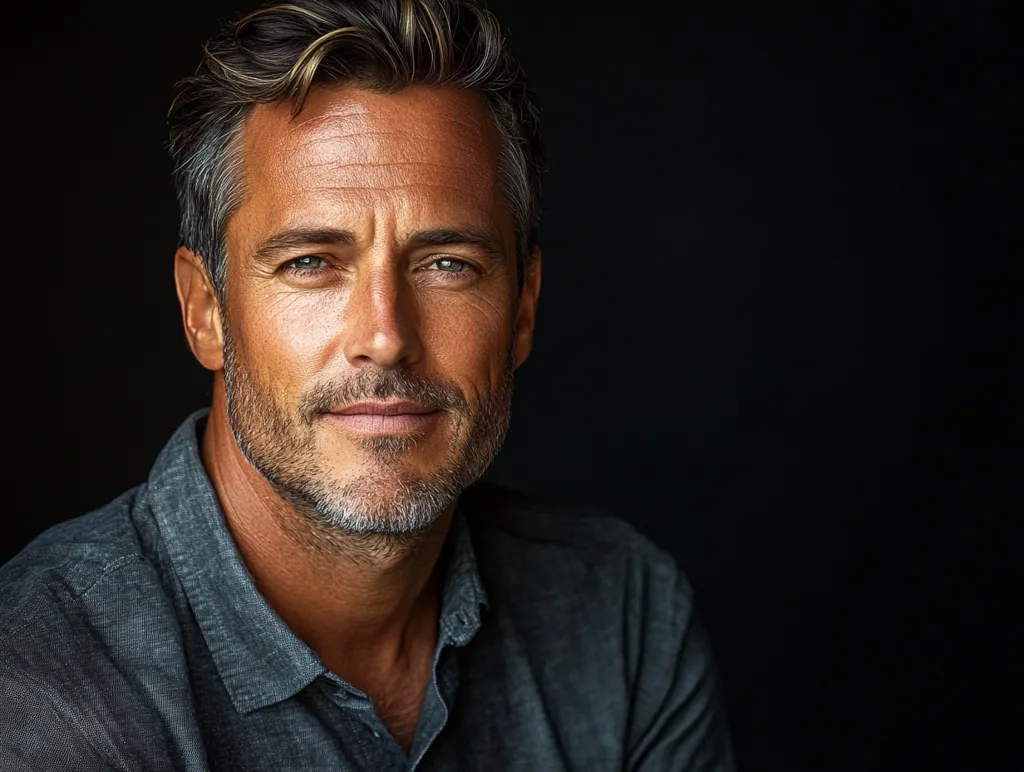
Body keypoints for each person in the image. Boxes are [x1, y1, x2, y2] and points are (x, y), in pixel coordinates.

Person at [0, 1, 735, 769]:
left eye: (447, 264)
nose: (385, 336)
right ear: (206, 311)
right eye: (311, 263)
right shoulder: (39, 687)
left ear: (522, 307)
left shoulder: (622, 615)